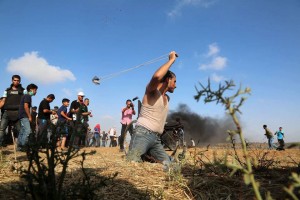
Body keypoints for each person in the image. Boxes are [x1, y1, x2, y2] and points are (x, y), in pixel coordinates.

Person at [127, 51, 177, 165]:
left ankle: (147, 156)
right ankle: (143, 155)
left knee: (170, 164)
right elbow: (157, 76)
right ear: (168, 80)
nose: (176, 85)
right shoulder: (152, 92)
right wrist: (171, 60)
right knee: (132, 162)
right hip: (142, 134)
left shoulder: (166, 98)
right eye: (174, 81)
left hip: (156, 140)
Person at [0, 75, 27, 147]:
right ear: (12, 81)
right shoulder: (7, 90)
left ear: (20, 81)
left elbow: (26, 102)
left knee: (20, 130)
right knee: (2, 129)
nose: (16, 81)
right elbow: (3, 101)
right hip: (7, 112)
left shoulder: (23, 91)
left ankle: (20, 146)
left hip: (18, 113)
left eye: (18, 80)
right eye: (15, 80)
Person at [17, 83, 38, 150]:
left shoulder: (26, 96)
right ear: (31, 90)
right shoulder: (27, 96)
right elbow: (26, 107)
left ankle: (19, 146)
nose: (36, 92)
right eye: (35, 90)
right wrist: (29, 116)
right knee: (28, 130)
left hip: (22, 115)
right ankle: (23, 146)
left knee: (22, 130)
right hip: (24, 115)